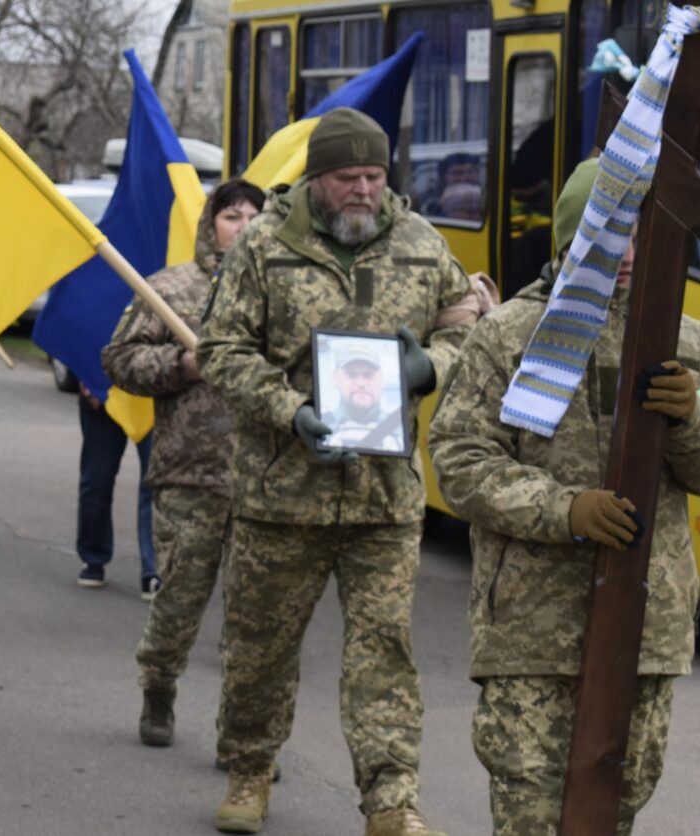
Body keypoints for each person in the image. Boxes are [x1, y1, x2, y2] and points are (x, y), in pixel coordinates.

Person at [428, 158, 700, 835]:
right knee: (534, 810)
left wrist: (693, 419)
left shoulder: (685, 340)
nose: (630, 251)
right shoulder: (510, 336)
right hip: (534, 625)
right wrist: (565, 510)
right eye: (611, 232)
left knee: (619, 800)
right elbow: (459, 459)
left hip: (645, 626)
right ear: (574, 238)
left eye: (641, 231)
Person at [197, 107, 481, 836]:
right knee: (259, 648)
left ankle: (391, 800)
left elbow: (468, 326)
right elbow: (221, 351)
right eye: (348, 177)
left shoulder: (421, 243)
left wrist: (430, 367)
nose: (363, 190)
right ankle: (250, 769)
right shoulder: (263, 246)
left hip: (383, 501)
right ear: (316, 179)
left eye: (374, 175)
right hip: (280, 493)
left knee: (383, 653)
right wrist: (289, 411)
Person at [101, 178, 265, 749]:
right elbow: (119, 359)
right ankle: (159, 687)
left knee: (256, 619)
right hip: (190, 473)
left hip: (267, 481)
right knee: (179, 600)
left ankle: (244, 737)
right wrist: (182, 364)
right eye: (232, 216)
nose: (243, 228)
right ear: (211, 222)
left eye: (254, 218)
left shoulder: (281, 292)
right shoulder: (170, 287)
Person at [74, 380, 158, 596]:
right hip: (104, 387)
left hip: (157, 389)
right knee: (96, 481)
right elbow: (79, 344)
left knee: (156, 484)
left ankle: (154, 570)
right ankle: (93, 557)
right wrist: (85, 374)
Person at [320, 343, 401, 452]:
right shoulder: (320, 425)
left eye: (369, 375)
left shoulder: (402, 428)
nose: (361, 383)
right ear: (335, 378)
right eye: (351, 375)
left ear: (382, 380)